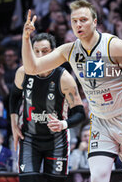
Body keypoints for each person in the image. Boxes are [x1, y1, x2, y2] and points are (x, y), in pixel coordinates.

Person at [22, 0, 122, 182]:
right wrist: (26, 39)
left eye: (83, 20)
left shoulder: (114, 46)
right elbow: (32, 68)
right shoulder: (69, 50)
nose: (78, 25)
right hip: (100, 121)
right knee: (98, 177)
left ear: (95, 21)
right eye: (74, 21)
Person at [9, 33, 85, 182]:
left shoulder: (64, 78)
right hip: (29, 138)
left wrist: (64, 124)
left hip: (57, 140)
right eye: (36, 51)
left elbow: (80, 113)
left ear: (53, 52)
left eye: (44, 51)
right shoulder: (23, 72)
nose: (40, 55)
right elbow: (14, 97)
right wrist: (14, 124)